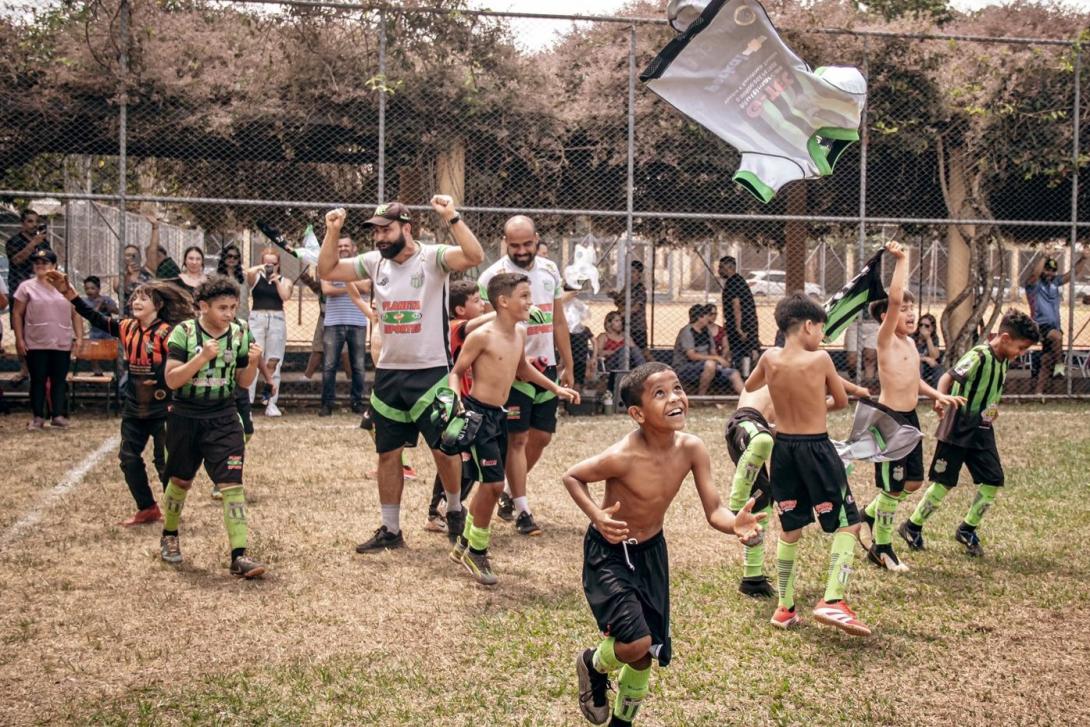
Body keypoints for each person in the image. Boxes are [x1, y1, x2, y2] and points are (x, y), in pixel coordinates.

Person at [564, 362, 763, 726]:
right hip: (611, 554)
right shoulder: (622, 455)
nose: (675, 398)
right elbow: (572, 476)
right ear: (637, 413)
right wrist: (597, 516)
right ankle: (592, 663)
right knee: (636, 642)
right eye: (660, 393)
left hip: (652, 554)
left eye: (677, 388)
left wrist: (734, 524)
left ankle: (622, 722)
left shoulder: (692, 448)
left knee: (645, 654)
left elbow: (714, 509)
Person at [317, 197, 484, 553]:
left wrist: (451, 215)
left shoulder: (433, 257)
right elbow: (327, 270)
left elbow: (474, 256)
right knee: (387, 454)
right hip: (390, 374)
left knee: (444, 449)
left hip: (431, 372)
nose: (379, 237)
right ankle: (391, 530)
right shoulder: (375, 262)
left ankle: (454, 509)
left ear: (406, 228)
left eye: (386, 229)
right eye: (375, 231)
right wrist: (332, 231)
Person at [744, 293, 870, 636]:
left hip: (783, 449)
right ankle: (833, 599)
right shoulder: (821, 361)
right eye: (822, 330)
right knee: (850, 522)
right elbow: (841, 401)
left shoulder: (770, 359)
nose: (822, 338)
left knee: (790, 528)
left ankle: (785, 608)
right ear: (810, 325)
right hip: (816, 448)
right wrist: (814, 403)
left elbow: (751, 385)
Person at [448, 273, 580, 585]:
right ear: (503, 301)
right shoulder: (481, 336)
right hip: (477, 414)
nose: (530, 302)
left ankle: (465, 543)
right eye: (524, 296)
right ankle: (477, 551)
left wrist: (556, 388)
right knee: (493, 486)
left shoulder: (520, 332)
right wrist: (457, 404)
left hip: (499, 415)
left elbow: (522, 369)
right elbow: (456, 372)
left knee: (491, 484)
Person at [46, 271, 192, 526]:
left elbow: (182, 368)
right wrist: (69, 293)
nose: (136, 301)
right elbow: (95, 317)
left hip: (164, 408)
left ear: (158, 305)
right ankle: (147, 507)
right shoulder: (126, 328)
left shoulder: (169, 333)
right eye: (135, 296)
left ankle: (173, 510)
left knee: (163, 461)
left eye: (144, 298)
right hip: (135, 407)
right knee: (128, 457)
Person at [857, 242, 966, 572]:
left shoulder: (909, 344)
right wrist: (903, 260)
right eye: (903, 309)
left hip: (910, 418)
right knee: (893, 486)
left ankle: (872, 513)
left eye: (911, 309)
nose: (910, 313)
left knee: (913, 483)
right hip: (889, 419)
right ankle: (883, 548)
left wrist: (937, 395)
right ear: (885, 317)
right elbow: (892, 298)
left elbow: (913, 379)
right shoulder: (886, 338)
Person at [899, 309, 1040, 558]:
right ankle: (913, 525)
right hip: (958, 426)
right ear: (1006, 338)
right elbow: (948, 376)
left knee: (993, 479)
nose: (1022, 354)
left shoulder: (1004, 358)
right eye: (1021, 348)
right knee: (944, 481)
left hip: (983, 429)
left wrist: (991, 411)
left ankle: (967, 528)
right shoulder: (979, 355)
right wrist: (942, 399)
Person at [160, 276, 266, 578]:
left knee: (232, 485)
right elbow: (171, 380)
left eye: (233, 307)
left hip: (223, 417)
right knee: (180, 481)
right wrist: (202, 357)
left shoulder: (240, 332)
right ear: (202, 307)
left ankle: (239, 555)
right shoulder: (183, 333)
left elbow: (243, 383)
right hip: (186, 417)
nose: (229, 314)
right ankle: (169, 534)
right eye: (223, 308)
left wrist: (253, 365)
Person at [477, 215, 574, 536]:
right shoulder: (493, 276)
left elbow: (558, 320)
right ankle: (523, 510)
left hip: (546, 366)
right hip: (513, 371)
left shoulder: (549, 270)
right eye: (514, 245)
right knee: (516, 439)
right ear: (505, 242)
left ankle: (506, 491)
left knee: (541, 437)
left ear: (536, 239)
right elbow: (481, 322)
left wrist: (568, 363)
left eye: (527, 244)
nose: (521, 250)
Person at [426, 279, 493, 532]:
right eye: (476, 301)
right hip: (458, 404)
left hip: (468, 401)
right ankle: (441, 509)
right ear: (459, 310)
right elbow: (476, 324)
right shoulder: (456, 327)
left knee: (457, 460)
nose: (482, 305)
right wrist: (503, 309)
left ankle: (441, 509)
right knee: (462, 461)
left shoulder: (471, 331)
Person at [12, 249, 83, 429]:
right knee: (38, 379)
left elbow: (76, 313)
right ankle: (38, 416)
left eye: (45, 262)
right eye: (37, 263)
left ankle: (57, 415)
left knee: (59, 379)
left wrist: (79, 337)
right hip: (36, 341)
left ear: (54, 266)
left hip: (61, 341)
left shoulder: (65, 286)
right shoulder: (26, 287)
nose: (41, 266)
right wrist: (19, 339)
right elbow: (17, 313)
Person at [1023, 249, 1087, 394]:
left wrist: (1083, 259)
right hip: (1040, 325)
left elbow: (1071, 274)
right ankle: (1060, 364)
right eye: (1047, 270)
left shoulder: (1054, 283)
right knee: (1057, 337)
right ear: (1043, 269)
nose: (1050, 273)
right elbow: (1034, 274)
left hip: (1054, 325)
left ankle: (1038, 393)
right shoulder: (1034, 285)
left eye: (1053, 271)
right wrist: (1044, 256)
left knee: (1046, 360)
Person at [319, 236, 370, 417]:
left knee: (358, 366)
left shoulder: (362, 265)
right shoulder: (328, 265)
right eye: (339, 245)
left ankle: (357, 402)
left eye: (346, 245)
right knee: (329, 365)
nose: (342, 248)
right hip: (333, 322)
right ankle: (327, 404)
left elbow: (366, 287)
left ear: (353, 247)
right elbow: (327, 290)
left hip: (358, 321)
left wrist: (339, 280)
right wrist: (350, 286)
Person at [245, 248, 293, 417]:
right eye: (268, 262)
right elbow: (248, 274)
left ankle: (271, 402)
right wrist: (260, 267)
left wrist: (277, 281)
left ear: (279, 264)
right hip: (257, 318)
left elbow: (285, 296)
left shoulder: (285, 280)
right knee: (253, 359)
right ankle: (247, 405)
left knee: (274, 361)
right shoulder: (257, 277)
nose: (271, 266)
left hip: (277, 319)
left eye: (274, 263)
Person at [6, 208, 52, 384]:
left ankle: (41, 367)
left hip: (41, 292)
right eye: (30, 221)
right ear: (22, 223)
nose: (34, 225)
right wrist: (33, 243)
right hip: (20, 290)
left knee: (40, 328)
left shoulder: (44, 243)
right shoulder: (14, 241)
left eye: (36, 222)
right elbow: (16, 260)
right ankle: (24, 368)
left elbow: (51, 262)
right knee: (21, 330)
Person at [671, 304, 743, 395]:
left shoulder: (706, 331)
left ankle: (748, 401)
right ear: (699, 317)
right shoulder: (687, 331)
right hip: (685, 367)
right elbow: (692, 356)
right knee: (710, 364)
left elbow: (713, 352)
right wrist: (716, 359)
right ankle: (701, 397)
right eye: (706, 316)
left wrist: (721, 361)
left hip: (707, 365)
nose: (709, 319)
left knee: (734, 373)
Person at [718, 255, 759, 375]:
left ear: (729, 267)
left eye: (721, 267)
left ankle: (745, 376)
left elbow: (736, 306)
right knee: (748, 348)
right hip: (747, 322)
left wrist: (738, 327)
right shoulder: (738, 281)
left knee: (743, 350)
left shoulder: (733, 283)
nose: (719, 270)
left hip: (741, 323)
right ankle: (745, 374)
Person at [594, 311, 647, 390]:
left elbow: (635, 350)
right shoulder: (603, 336)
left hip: (627, 362)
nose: (620, 323)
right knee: (624, 349)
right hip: (610, 363)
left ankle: (645, 372)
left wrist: (627, 337)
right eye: (616, 321)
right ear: (609, 323)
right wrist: (615, 351)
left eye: (621, 320)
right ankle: (622, 376)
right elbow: (598, 352)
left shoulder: (624, 335)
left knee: (631, 349)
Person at [80, 276, 119, 376]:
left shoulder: (106, 299)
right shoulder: (85, 302)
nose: (89, 291)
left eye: (92, 288)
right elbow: (92, 315)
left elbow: (116, 310)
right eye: (87, 289)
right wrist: (98, 305)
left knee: (114, 348)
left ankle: (118, 370)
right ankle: (97, 371)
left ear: (98, 289)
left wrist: (108, 306)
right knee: (93, 350)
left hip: (108, 330)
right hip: (95, 331)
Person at [610, 259, 649, 354]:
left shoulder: (640, 289)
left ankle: (656, 367)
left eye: (633, 272)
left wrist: (623, 314)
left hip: (637, 326)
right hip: (625, 324)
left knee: (643, 351)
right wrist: (614, 296)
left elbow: (637, 307)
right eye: (629, 272)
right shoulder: (627, 288)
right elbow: (619, 303)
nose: (630, 275)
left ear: (639, 274)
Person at [843, 308, 879, 383]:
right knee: (852, 359)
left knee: (870, 357)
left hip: (873, 324)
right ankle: (853, 379)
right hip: (855, 323)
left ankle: (869, 384)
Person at [118, 244, 153, 316]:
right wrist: (128, 274)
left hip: (147, 317)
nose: (131, 258)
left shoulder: (147, 274)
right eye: (128, 255)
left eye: (134, 255)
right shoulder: (120, 277)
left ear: (140, 258)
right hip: (128, 319)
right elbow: (120, 288)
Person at [143, 215, 182, 280]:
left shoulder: (168, 266)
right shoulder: (162, 266)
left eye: (149, 256)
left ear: (160, 255)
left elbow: (153, 251)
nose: (148, 260)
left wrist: (155, 228)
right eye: (147, 257)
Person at [914, 312, 943, 387]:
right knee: (919, 365)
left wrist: (928, 338)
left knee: (938, 368)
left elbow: (935, 356)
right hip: (914, 364)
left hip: (928, 366)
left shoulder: (934, 338)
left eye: (927, 326)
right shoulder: (913, 337)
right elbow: (908, 355)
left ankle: (937, 391)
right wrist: (925, 359)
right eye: (921, 325)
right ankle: (918, 389)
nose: (923, 327)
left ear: (932, 328)